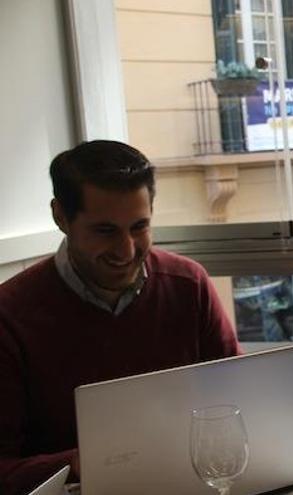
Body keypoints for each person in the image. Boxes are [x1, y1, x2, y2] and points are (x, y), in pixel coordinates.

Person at [0, 141, 241, 495]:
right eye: (105, 231)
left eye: (139, 226)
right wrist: (78, 463)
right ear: (60, 217)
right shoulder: (10, 315)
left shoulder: (188, 286)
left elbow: (239, 403)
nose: (127, 250)